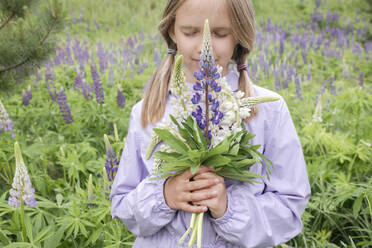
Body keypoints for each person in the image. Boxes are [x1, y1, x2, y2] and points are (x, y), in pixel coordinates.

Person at [110, 0, 311, 247]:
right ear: (172, 31)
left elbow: (290, 206)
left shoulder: (268, 110)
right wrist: (164, 195)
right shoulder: (148, 110)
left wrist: (228, 208)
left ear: (239, 33)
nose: (203, 46)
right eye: (190, 32)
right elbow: (122, 205)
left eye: (220, 33)